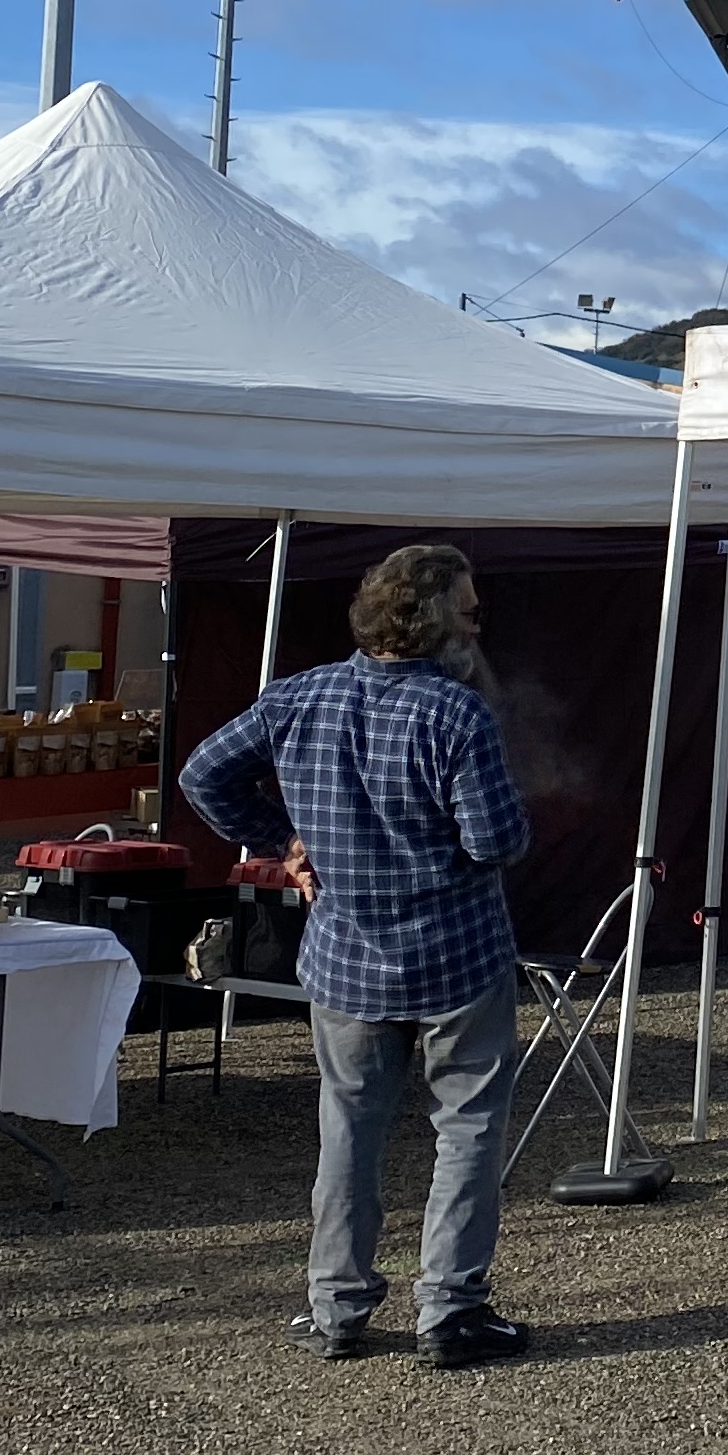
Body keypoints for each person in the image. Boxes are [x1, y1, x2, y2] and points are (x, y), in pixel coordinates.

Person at [181, 542, 533, 1369]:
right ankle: (449, 1311)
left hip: (346, 957)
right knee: (467, 1131)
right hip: (456, 954)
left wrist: (280, 841)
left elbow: (203, 775)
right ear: (433, 619)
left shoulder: (297, 697)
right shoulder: (457, 714)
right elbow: (495, 840)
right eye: (470, 613)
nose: (477, 627)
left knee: (348, 1134)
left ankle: (336, 1308)